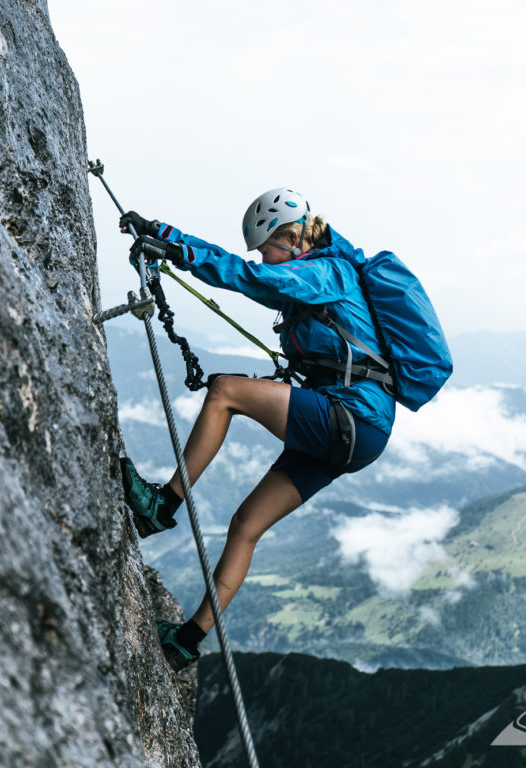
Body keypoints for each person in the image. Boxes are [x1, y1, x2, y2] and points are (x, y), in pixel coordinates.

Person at [118, 188, 396, 672]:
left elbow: (249, 278)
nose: (263, 257)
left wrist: (176, 247)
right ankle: (187, 640)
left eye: (266, 246)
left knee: (225, 390)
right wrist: (162, 234)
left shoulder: (326, 272)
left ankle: (164, 505)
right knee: (245, 525)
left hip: (350, 418)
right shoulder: (320, 275)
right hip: (356, 429)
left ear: (290, 238)